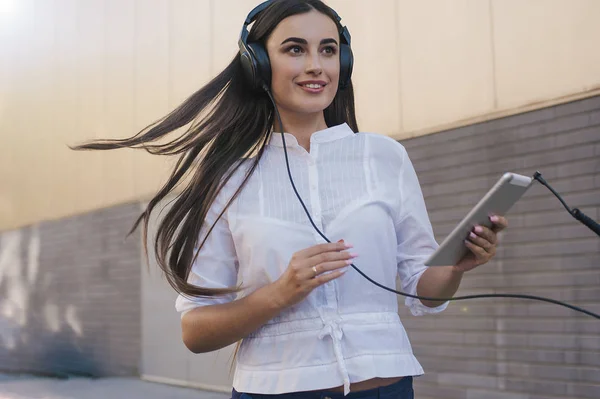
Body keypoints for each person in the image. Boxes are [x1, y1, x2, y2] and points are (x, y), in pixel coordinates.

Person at [73, 1, 508, 398]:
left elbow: (423, 291)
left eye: (329, 50)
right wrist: (280, 293)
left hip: (386, 386)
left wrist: (454, 267)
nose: (317, 66)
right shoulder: (229, 180)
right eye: (295, 49)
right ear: (259, 65)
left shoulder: (384, 157)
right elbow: (196, 330)